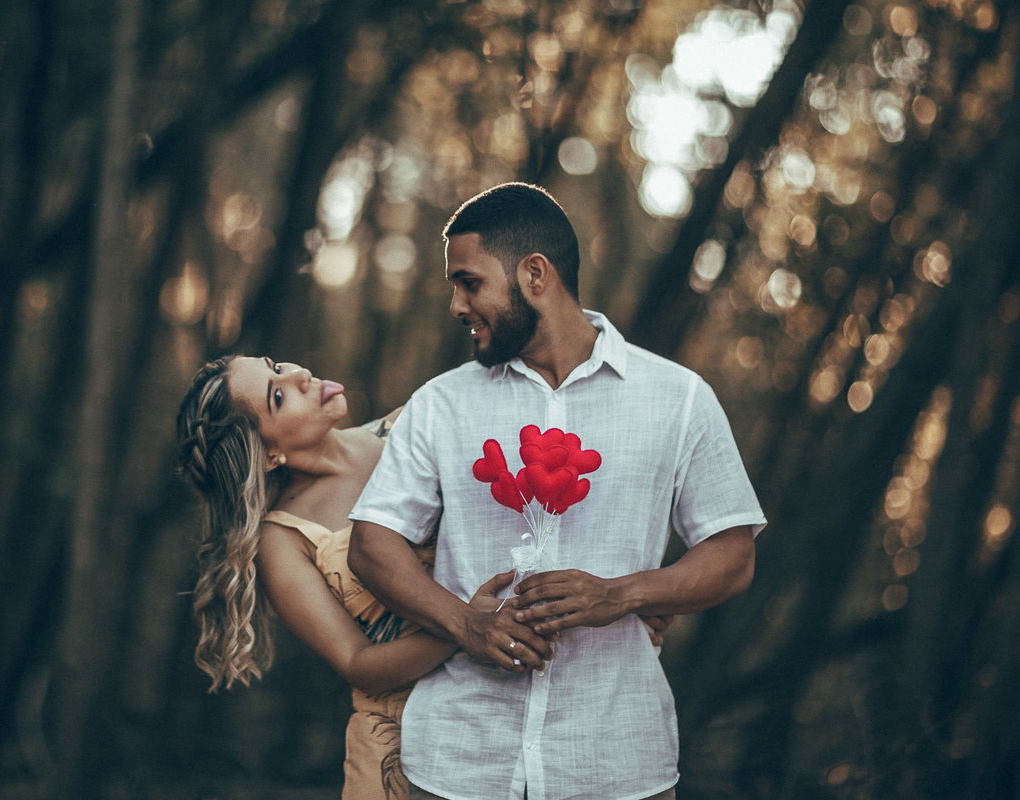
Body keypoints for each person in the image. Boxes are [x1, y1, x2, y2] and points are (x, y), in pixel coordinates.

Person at [347, 182, 767, 800]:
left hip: (618, 767)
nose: (458, 305)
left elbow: (733, 555)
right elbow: (372, 542)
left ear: (535, 274)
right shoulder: (441, 404)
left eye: (470, 282)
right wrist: (465, 625)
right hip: (458, 767)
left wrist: (621, 595)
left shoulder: (678, 399)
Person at [174, 355, 518, 799]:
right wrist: (467, 626)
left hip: (506, 700)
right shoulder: (284, 540)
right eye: (277, 396)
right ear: (267, 455)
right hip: (404, 748)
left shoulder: (409, 426)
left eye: (275, 365)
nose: (298, 374)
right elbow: (359, 666)